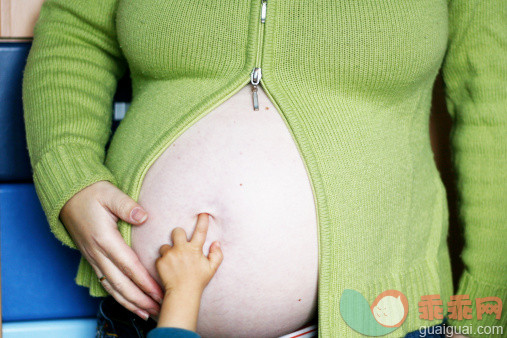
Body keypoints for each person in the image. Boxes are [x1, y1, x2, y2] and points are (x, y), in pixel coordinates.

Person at [22, 0, 506, 337]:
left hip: (381, 321)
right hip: (141, 318)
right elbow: (75, 34)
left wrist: (489, 307)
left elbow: (493, 105)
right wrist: (69, 176)